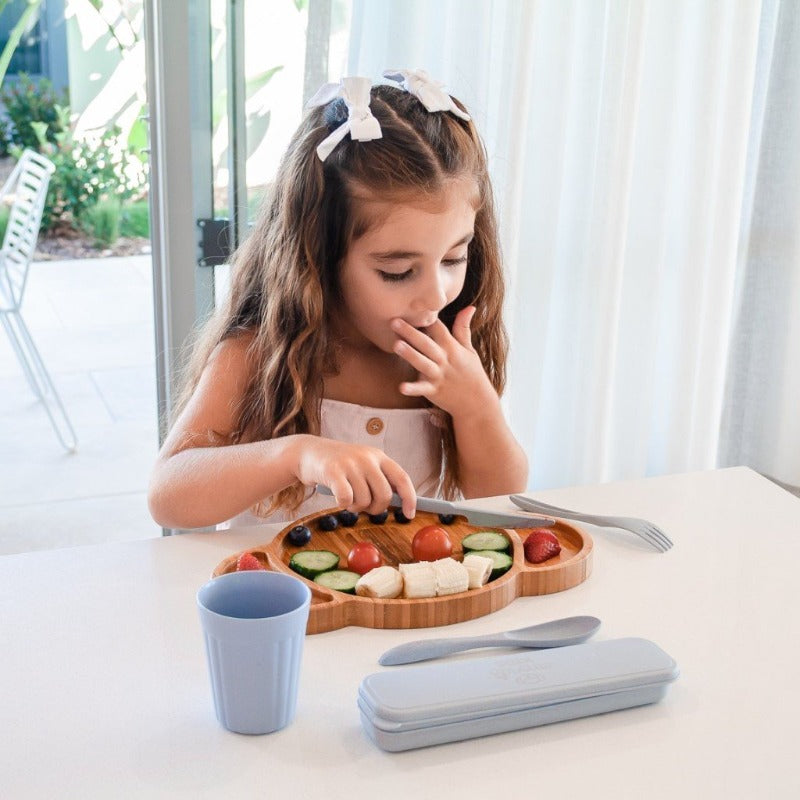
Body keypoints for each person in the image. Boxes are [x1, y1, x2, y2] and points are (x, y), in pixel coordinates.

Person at [148, 70, 528, 530]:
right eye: (398, 271)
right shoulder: (261, 353)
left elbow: (502, 498)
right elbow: (168, 494)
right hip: (286, 600)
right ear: (320, 258)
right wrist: (297, 454)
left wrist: (476, 406)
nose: (436, 294)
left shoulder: (444, 358)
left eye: (453, 258)